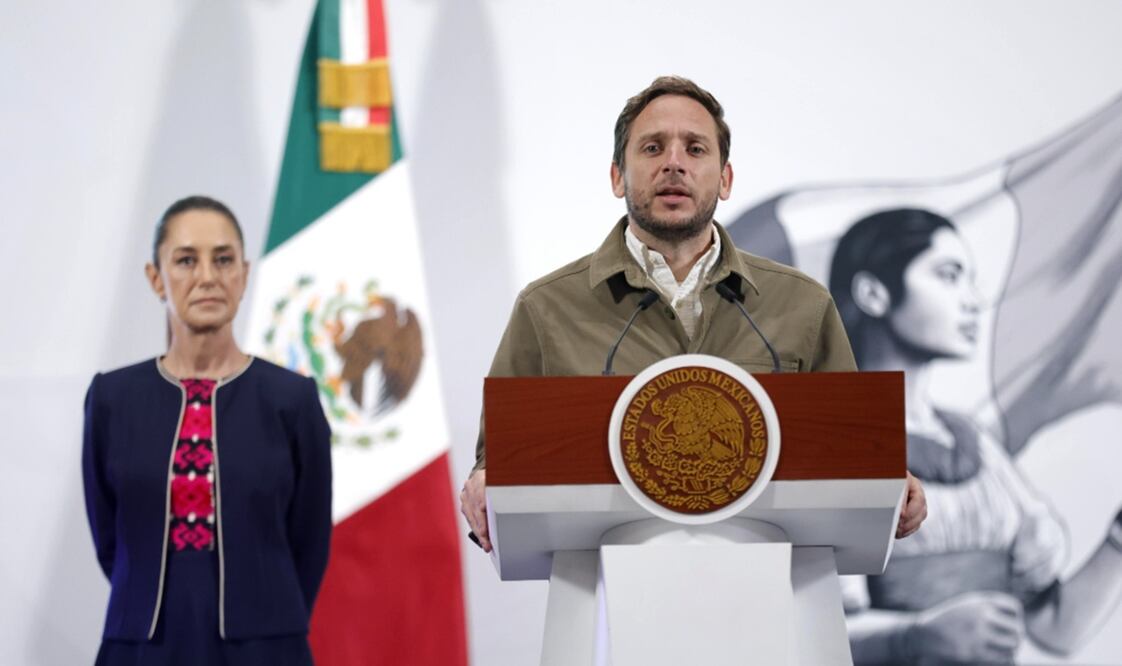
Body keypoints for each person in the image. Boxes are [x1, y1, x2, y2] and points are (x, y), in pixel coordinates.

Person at [459, 75, 927, 552]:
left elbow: (850, 453)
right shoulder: (548, 308)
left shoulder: (802, 305)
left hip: (772, 601)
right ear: (618, 176)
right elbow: (498, 463)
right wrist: (485, 482)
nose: (674, 164)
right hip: (604, 598)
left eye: (696, 149)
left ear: (725, 179)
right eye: (653, 148)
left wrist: (889, 485)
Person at [831, 208, 1122, 664]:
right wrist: (913, 637)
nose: (973, 300)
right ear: (873, 293)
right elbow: (805, 627)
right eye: (949, 276)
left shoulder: (976, 443)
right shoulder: (832, 439)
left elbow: (1055, 628)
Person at [82, 196, 333, 665]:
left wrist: (269, 605)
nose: (207, 277)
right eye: (185, 260)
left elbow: (310, 539)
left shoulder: (291, 399)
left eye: (223, 259)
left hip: (266, 643)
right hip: (141, 643)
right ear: (155, 278)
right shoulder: (112, 399)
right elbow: (110, 540)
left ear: (244, 274)